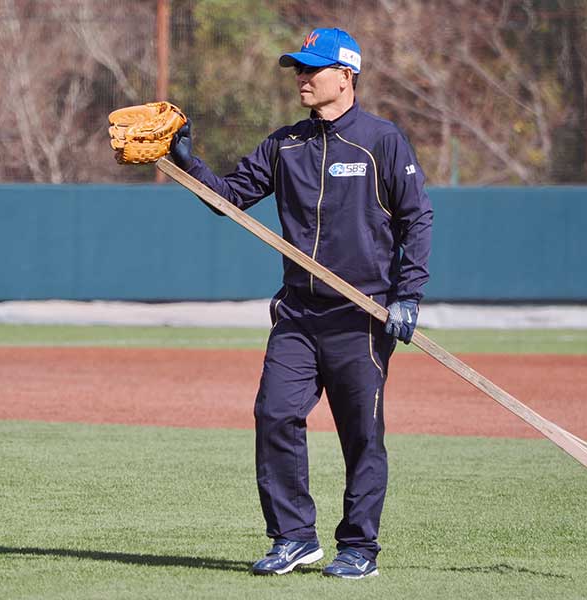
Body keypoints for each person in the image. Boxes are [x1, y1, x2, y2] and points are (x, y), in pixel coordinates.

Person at [170, 27, 433, 579]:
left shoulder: (382, 141)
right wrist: (185, 160)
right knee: (274, 414)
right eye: (297, 68)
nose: (302, 78)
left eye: (313, 69)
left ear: (347, 75)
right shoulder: (285, 143)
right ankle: (293, 537)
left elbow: (417, 219)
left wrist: (408, 294)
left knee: (361, 434)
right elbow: (232, 199)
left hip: (360, 316)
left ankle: (359, 548)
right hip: (297, 312)